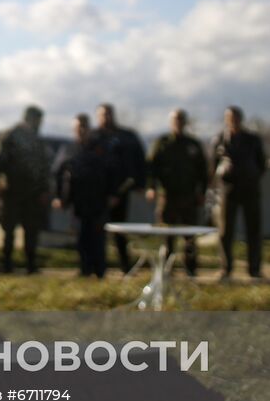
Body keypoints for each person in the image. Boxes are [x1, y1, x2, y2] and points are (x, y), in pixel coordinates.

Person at [0, 106, 51, 274]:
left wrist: (45, 189)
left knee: (31, 229)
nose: (39, 123)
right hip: (11, 190)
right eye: (37, 119)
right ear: (29, 118)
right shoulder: (11, 135)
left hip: (33, 192)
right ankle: (7, 264)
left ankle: (30, 264)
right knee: (9, 229)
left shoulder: (37, 139)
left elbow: (44, 165)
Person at [53, 114, 118, 277]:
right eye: (78, 127)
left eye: (84, 127)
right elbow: (58, 174)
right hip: (78, 203)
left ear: (89, 129)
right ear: (74, 130)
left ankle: (100, 272)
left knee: (98, 238)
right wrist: (59, 197)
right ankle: (85, 270)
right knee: (81, 239)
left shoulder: (101, 148)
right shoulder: (68, 150)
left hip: (98, 201)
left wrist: (112, 193)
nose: (81, 130)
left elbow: (112, 172)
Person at [145, 109, 207, 276]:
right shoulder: (163, 143)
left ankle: (191, 271)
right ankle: (165, 270)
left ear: (185, 123)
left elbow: (203, 171)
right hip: (167, 196)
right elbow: (151, 167)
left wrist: (202, 192)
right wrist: (151, 187)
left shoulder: (193, 144)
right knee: (166, 235)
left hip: (189, 197)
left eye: (181, 120)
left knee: (190, 236)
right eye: (175, 120)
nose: (178, 123)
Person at [211, 106, 267, 279]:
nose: (233, 121)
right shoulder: (220, 139)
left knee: (253, 230)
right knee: (225, 231)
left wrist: (251, 175)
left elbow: (262, 163)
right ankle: (226, 268)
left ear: (240, 119)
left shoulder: (252, 139)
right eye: (229, 118)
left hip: (250, 188)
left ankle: (254, 269)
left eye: (235, 117)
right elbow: (214, 164)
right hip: (228, 190)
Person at [94, 103, 146, 275]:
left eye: (109, 114)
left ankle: (125, 267)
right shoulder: (93, 137)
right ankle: (97, 268)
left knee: (120, 231)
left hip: (120, 193)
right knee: (96, 232)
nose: (106, 117)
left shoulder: (126, 137)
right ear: (98, 116)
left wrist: (139, 184)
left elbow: (137, 162)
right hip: (97, 194)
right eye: (103, 114)